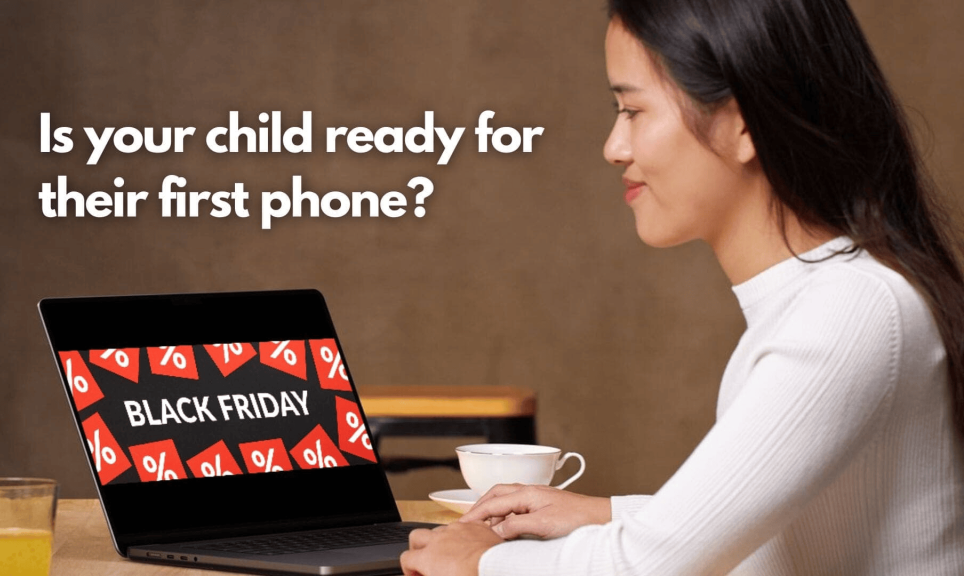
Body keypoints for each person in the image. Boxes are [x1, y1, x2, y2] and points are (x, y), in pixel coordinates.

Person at [399, 0, 964, 574]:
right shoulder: (837, 297)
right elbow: (788, 533)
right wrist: (607, 514)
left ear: (743, 123)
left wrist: (480, 563)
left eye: (633, 110)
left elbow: (651, 567)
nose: (614, 147)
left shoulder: (852, 309)